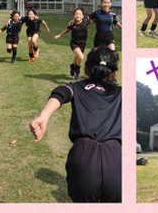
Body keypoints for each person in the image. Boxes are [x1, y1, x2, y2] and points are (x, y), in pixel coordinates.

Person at [29, 46, 121, 202]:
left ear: (85, 69)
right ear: (114, 74)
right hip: (116, 158)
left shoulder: (78, 87)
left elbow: (61, 92)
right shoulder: (121, 93)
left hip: (83, 157)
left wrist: (44, 116)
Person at [55, 8, 92, 81]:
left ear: (83, 16)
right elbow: (67, 30)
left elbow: (94, 18)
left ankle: (72, 66)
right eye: (76, 14)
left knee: (77, 57)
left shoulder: (85, 22)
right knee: (81, 57)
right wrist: (59, 35)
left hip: (82, 44)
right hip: (74, 43)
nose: (78, 15)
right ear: (73, 15)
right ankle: (77, 73)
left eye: (80, 14)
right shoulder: (72, 24)